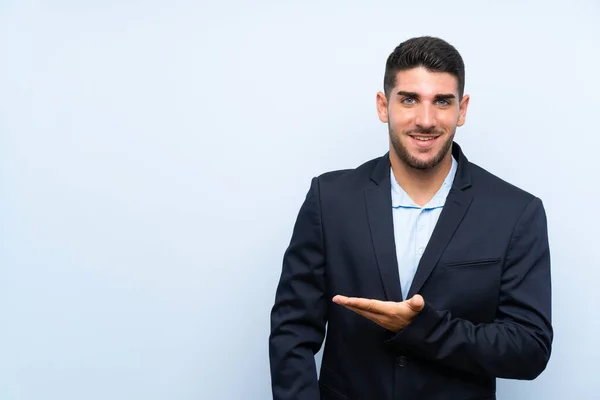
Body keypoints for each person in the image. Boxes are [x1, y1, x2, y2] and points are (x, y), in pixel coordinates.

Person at [268, 36, 552, 400]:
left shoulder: (516, 212)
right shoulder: (330, 199)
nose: (426, 120)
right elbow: (292, 332)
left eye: (442, 102)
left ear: (462, 110)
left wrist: (424, 328)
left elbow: (530, 350)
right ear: (383, 105)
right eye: (409, 99)